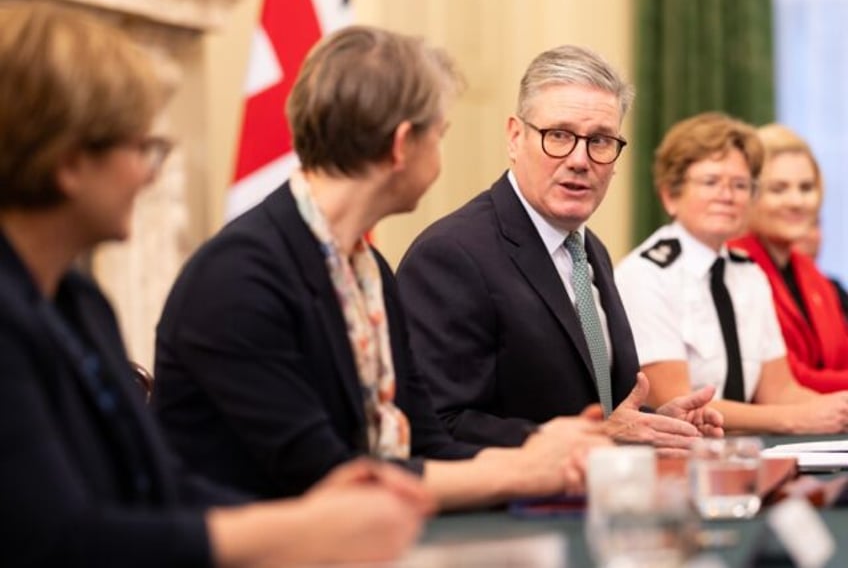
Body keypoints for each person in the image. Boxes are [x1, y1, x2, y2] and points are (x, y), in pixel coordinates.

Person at [0, 2, 434, 567]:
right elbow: (58, 543)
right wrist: (303, 531)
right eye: (141, 149)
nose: (149, 174)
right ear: (68, 162)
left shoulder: (80, 301)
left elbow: (159, 485)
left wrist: (316, 518)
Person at [153, 26, 611, 509]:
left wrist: (547, 455)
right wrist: (527, 469)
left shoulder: (368, 268)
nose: (439, 157)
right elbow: (331, 478)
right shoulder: (239, 278)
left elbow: (428, 446)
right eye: (439, 136)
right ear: (401, 146)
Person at [395, 44, 723, 448]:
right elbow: (439, 426)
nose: (580, 159)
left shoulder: (590, 249)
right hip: (510, 507)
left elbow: (602, 410)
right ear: (515, 137)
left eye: (601, 141)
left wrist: (656, 425)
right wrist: (597, 438)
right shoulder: (450, 256)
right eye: (560, 136)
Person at [616, 112, 848, 433]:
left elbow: (779, 391)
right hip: (676, 459)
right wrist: (797, 418)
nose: (727, 195)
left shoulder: (748, 274)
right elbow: (676, 401)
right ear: (671, 195)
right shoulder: (646, 275)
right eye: (711, 182)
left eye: (740, 185)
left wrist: (836, 409)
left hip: (747, 455)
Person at [730, 124, 848, 392]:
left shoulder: (811, 272)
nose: (796, 201)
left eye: (806, 188)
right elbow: (786, 379)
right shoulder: (732, 267)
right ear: (748, 193)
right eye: (778, 189)